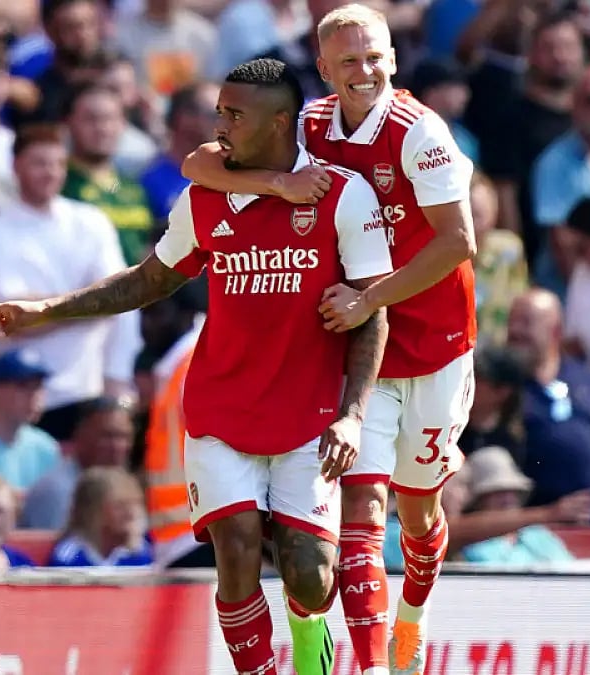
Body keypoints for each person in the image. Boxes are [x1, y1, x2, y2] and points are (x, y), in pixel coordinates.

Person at [0, 58, 392, 675]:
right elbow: (148, 281)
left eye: (233, 115)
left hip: (309, 417)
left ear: (280, 122)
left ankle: (309, 639)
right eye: (217, 111)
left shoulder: (342, 196)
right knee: (237, 552)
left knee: (310, 577)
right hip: (220, 412)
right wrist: (45, 311)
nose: (218, 125)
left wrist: (353, 415)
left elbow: (372, 312)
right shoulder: (203, 200)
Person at [182, 6, 477, 673]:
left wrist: (369, 296)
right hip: (357, 349)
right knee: (362, 516)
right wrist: (273, 181)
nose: (365, 71)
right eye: (349, 61)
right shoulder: (309, 124)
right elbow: (199, 162)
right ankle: (372, 665)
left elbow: (461, 241)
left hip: (434, 344)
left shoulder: (419, 132)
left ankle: (412, 620)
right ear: (324, 70)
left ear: (394, 59)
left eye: (375, 57)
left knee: (419, 511)